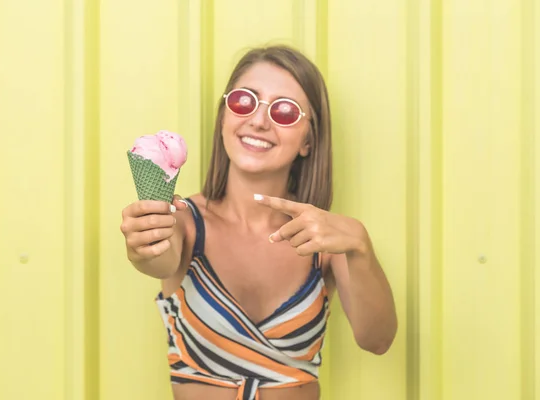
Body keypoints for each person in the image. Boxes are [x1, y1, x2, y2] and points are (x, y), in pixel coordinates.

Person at [120, 45, 397, 400]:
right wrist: (143, 242)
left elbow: (377, 339)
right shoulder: (184, 223)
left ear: (308, 141)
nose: (259, 120)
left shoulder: (326, 240)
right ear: (224, 116)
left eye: (284, 111)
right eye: (243, 101)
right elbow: (155, 257)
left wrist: (360, 245)